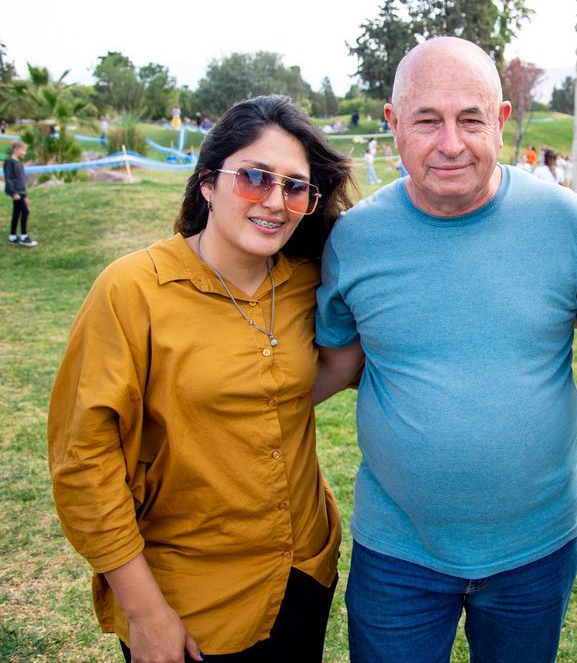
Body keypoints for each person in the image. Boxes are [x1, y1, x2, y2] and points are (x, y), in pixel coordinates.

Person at [312, 37, 577, 663]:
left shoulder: (568, 223)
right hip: (397, 550)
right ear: (394, 125)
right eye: (427, 120)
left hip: (534, 550)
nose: (450, 143)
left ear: (501, 122)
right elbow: (335, 366)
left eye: (470, 119)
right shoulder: (354, 240)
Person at [48, 95, 355, 662]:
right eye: (255, 178)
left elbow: (349, 357)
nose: (274, 201)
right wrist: (145, 612)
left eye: (294, 187)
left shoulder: (310, 283)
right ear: (208, 184)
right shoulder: (131, 291)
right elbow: (83, 466)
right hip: (188, 600)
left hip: (303, 571)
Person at [3, 141, 37, 247]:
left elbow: (21, 180)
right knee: (25, 212)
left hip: (21, 192)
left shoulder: (18, 163)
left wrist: (25, 195)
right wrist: (13, 193)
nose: (24, 153)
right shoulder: (9, 162)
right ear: (16, 150)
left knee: (17, 213)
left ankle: (12, 236)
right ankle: (23, 236)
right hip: (16, 192)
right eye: (23, 150)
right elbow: (8, 179)